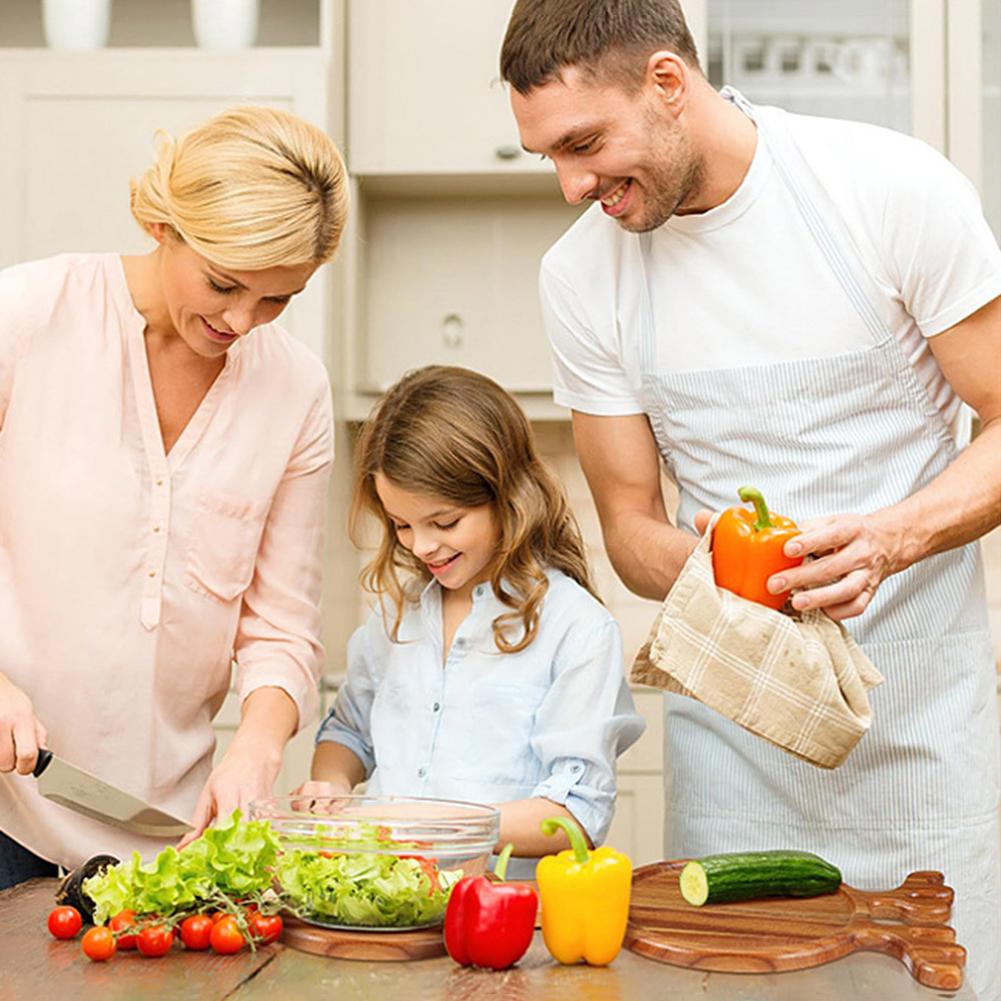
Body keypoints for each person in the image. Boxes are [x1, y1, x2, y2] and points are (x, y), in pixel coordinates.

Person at [500, 1, 1001, 996]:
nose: (570, 185)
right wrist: (713, 562)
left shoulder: (885, 189)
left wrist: (888, 538)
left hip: (921, 727)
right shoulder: (580, 279)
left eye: (585, 144)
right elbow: (630, 526)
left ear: (667, 83)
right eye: (548, 156)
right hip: (735, 751)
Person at [0, 105, 348, 888]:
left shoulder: (294, 391)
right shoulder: (24, 317)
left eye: (276, 299)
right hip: (6, 805)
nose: (240, 320)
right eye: (223, 283)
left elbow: (282, 627)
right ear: (161, 223)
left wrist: (256, 752)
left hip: (164, 838)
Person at [298, 366, 644, 872]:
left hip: (508, 919)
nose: (421, 545)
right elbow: (348, 733)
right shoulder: (396, 617)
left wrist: (432, 823)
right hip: (387, 900)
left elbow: (576, 816)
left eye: (444, 522)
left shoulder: (577, 629)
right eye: (401, 526)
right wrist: (331, 783)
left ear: (507, 497)